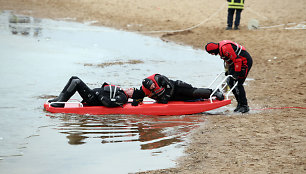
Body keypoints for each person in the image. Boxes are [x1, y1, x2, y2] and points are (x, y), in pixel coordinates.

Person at [204, 40, 253, 113]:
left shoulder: (225, 48)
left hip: (245, 62)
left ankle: (244, 106)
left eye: (211, 53)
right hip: (236, 63)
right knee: (229, 82)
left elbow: (238, 60)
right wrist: (229, 71)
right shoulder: (220, 49)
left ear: (214, 50)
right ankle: (239, 104)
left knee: (238, 84)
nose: (212, 54)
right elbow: (230, 60)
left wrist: (236, 74)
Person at [128, 74, 224, 106]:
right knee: (188, 100)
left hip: (177, 88)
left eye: (153, 85)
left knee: (194, 93)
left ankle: (214, 92)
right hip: (172, 98)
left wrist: (166, 97)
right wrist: (136, 102)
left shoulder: (159, 78)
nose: (153, 87)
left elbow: (170, 87)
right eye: (151, 87)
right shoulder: (145, 89)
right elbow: (140, 96)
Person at [48, 76, 128, 107]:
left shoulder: (123, 97)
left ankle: (61, 103)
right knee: (74, 78)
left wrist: (98, 94)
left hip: (93, 99)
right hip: (93, 95)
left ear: (132, 95)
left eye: (132, 90)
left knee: (77, 82)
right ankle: (60, 98)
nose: (130, 88)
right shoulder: (120, 91)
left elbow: (109, 103)